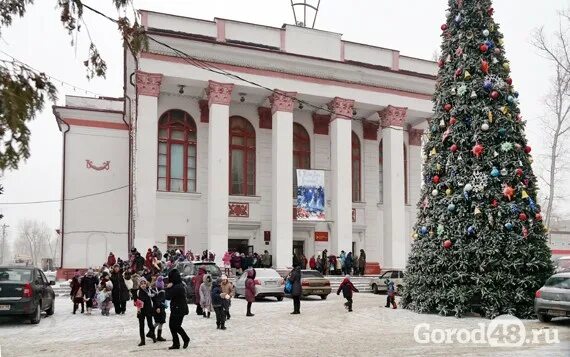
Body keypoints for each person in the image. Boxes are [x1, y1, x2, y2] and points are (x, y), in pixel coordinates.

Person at [165, 269, 190, 350]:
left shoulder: (178, 286)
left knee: (175, 326)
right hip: (176, 308)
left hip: (179, 309)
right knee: (172, 326)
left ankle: (185, 339)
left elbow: (168, 296)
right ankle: (176, 343)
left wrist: (168, 288)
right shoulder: (178, 284)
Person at [135, 277, 156, 346]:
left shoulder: (149, 290)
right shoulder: (138, 291)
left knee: (151, 325)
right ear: (139, 285)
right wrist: (138, 311)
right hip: (141, 311)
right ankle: (142, 340)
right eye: (141, 283)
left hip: (149, 309)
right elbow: (137, 302)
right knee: (141, 326)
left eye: (144, 283)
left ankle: (152, 335)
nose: (143, 285)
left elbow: (154, 296)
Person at [151, 276, 167, 342]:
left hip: (160, 308)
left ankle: (158, 336)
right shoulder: (160, 292)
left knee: (160, 322)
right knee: (158, 322)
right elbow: (158, 300)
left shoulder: (157, 291)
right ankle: (151, 332)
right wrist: (158, 307)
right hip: (159, 309)